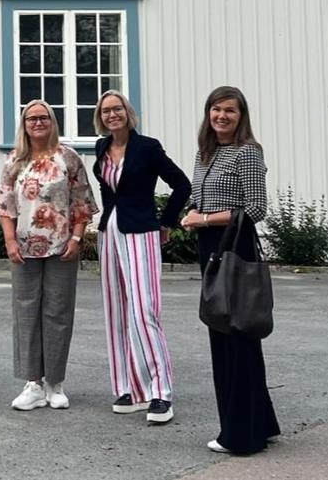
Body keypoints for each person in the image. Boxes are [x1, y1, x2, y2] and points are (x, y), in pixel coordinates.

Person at [180, 85, 281, 454]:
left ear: (241, 116)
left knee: (236, 337)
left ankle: (240, 436)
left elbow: (255, 208)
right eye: (216, 110)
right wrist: (191, 212)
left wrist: (205, 219)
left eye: (230, 111)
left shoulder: (247, 151)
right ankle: (260, 424)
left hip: (235, 248)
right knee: (224, 335)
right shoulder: (205, 153)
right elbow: (200, 197)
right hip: (210, 248)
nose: (222, 116)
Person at [91, 90, 190, 425]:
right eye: (106, 111)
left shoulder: (147, 147)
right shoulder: (102, 147)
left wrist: (167, 223)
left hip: (141, 232)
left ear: (127, 112)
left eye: (117, 109)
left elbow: (182, 185)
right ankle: (130, 388)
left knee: (144, 310)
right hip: (109, 233)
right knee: (116, 311)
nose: (112, 115)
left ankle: (161, 392)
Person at [0, 99, 98, 411]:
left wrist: (77, 238)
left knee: (58, 313)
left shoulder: (68, 157)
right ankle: (33, 383)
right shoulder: (15, 159)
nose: (38, 123)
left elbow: (82, 203)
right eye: (32, 118)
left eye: (44, 118)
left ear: (52, 122)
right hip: (24, 247)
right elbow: (5, 205)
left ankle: (55, 383)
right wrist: (10, 241)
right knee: (26, 313)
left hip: (61, 246)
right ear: (24, 125)